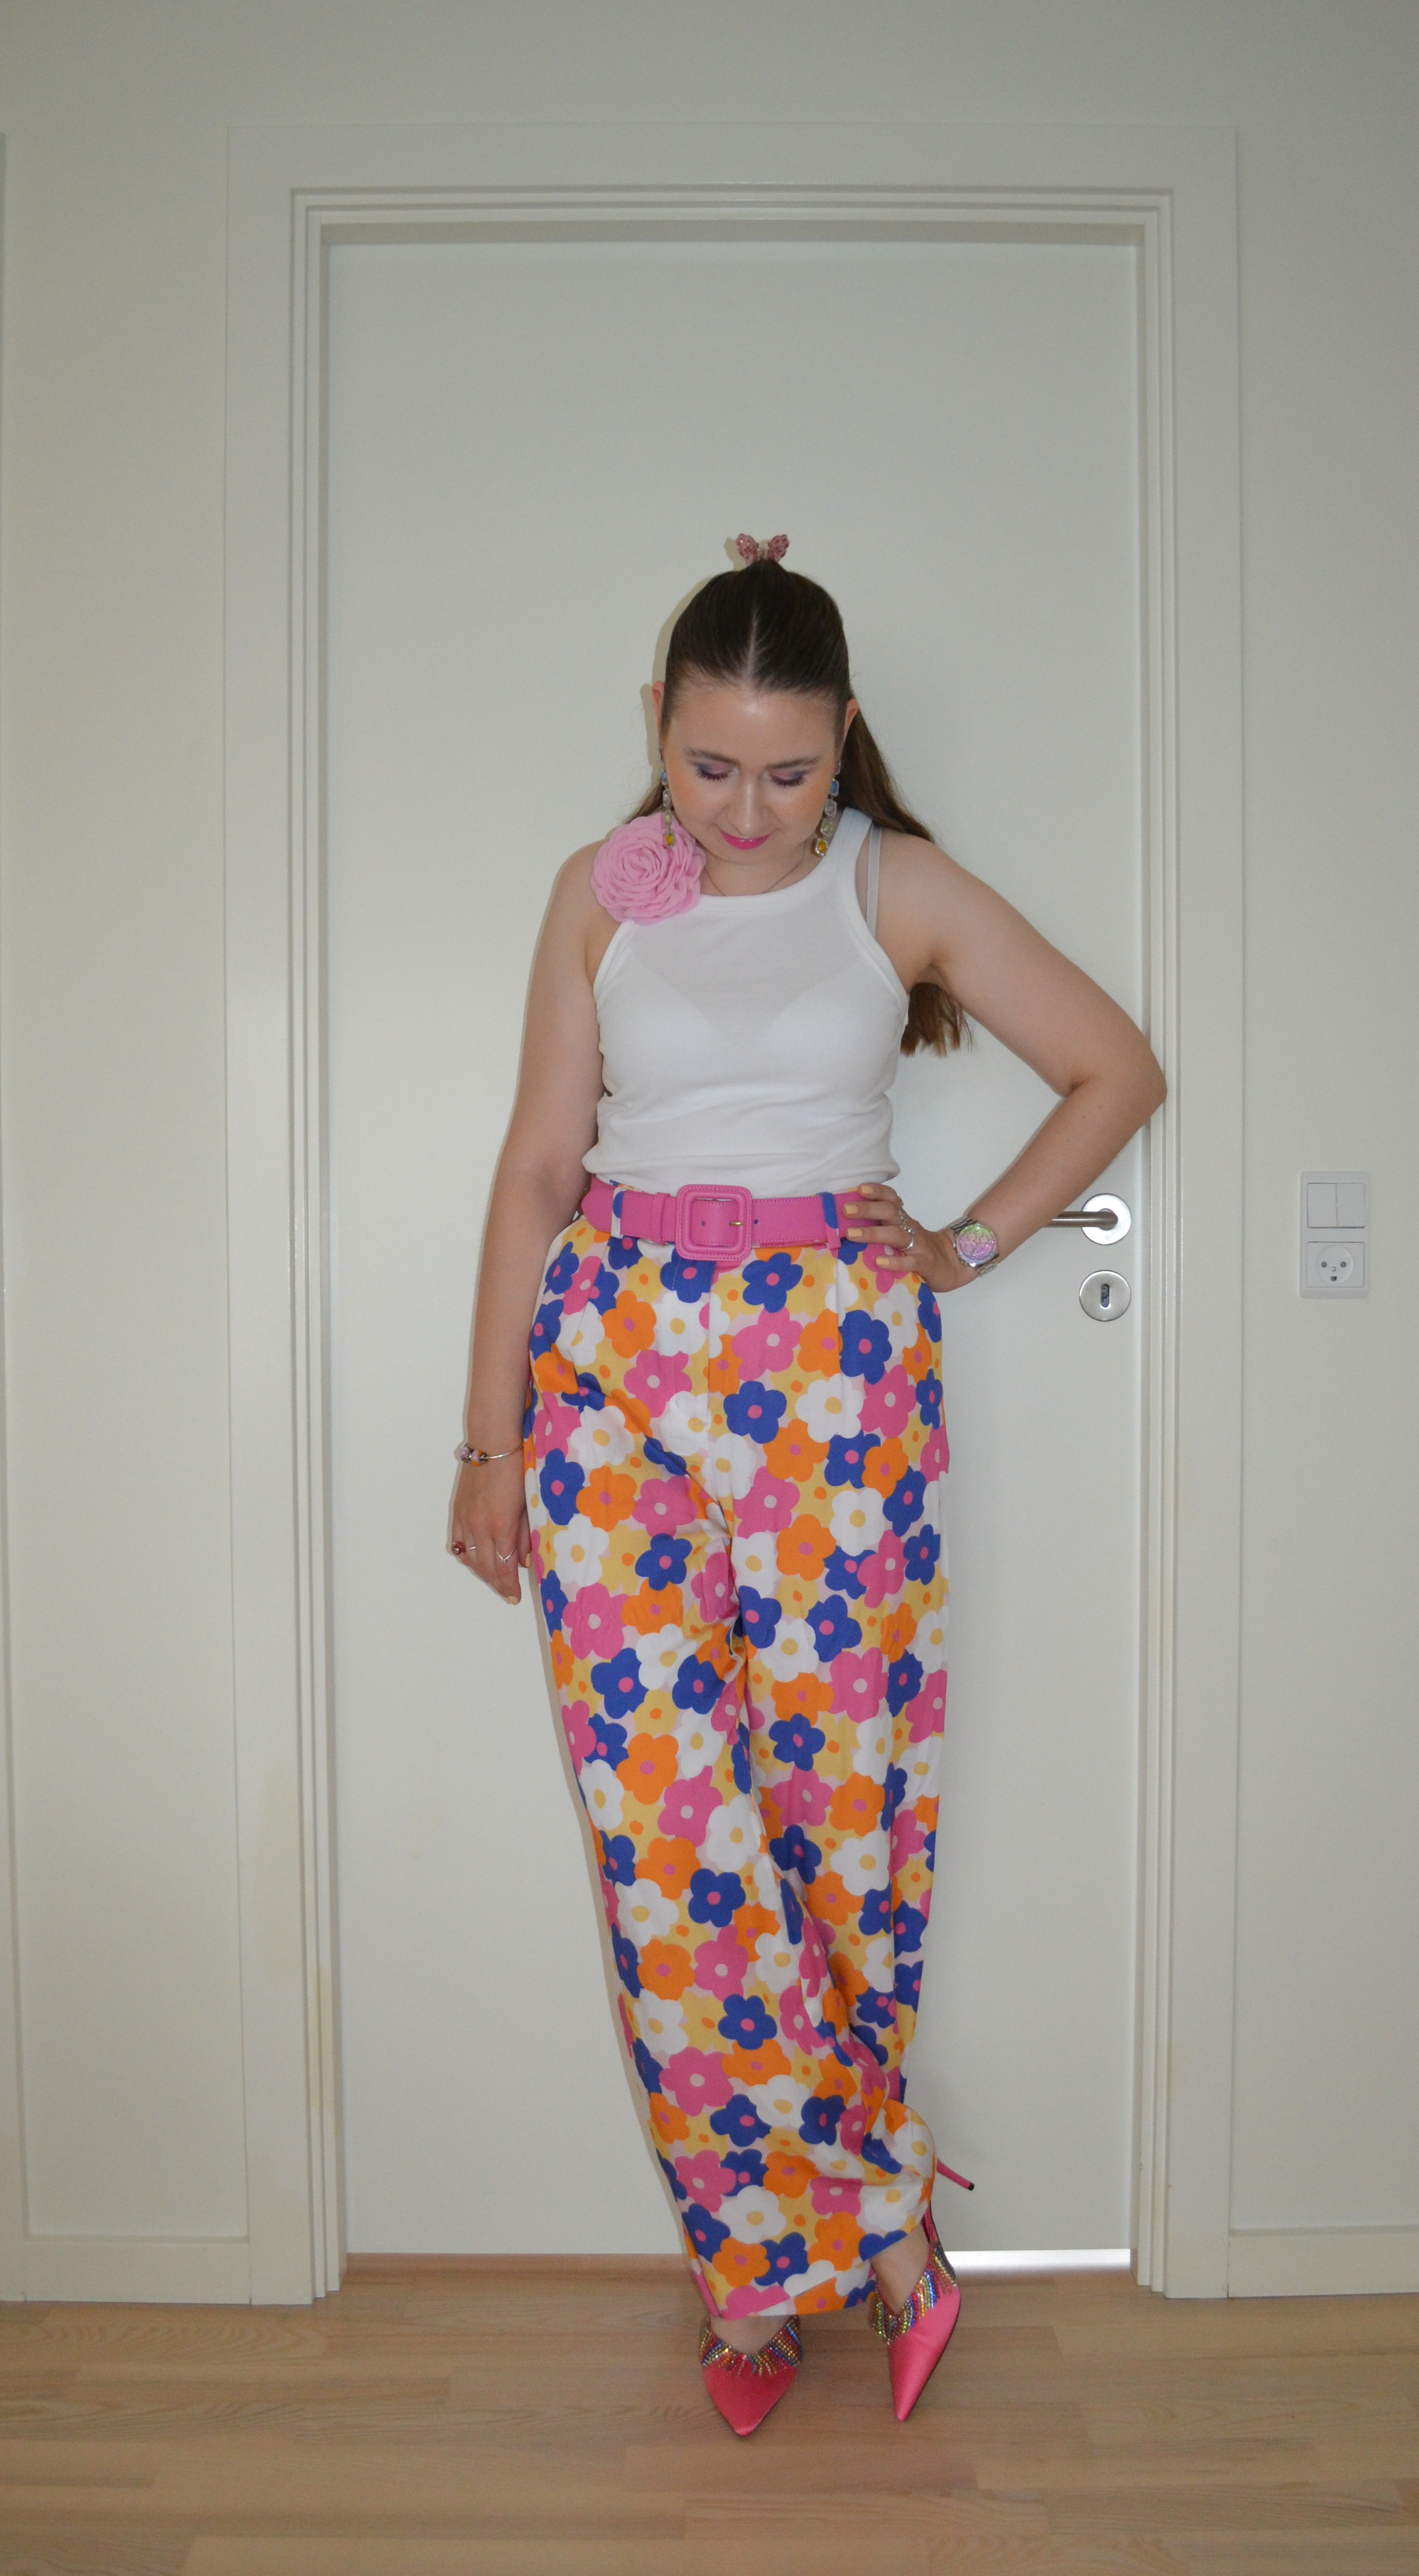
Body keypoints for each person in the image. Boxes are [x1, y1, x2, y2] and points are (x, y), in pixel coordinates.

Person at [448, 538, 1165, 2435]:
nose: (749, 812)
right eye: (709, 768)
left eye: (788, 769)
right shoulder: (598, 892)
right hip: (612, 1370)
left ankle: (825, 2236)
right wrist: (489, 1441)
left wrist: (967, 1246)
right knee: (667, 1848)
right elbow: (536, 1169)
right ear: (656, 728)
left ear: (844, 735)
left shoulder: (893, 883)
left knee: (842, 1830)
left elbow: (1115, 1069)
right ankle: (782, 2260)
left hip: (835, 1381)